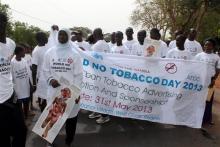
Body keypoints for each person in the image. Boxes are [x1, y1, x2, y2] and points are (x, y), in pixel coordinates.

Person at [43, 28, 83, 147]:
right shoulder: (50, 52)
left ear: (68, 37)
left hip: (69, 92)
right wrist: (51, 79)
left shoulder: (75, 54)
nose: (61, 37)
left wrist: (74, 92)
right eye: (60, 35)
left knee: (70, 119)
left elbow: (79, 75)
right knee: (53, 116)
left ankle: (68, 141)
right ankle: (49, 140)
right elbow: (45, 70)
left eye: (64, 35)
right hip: (54, 91)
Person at [0, 12, 27, 147]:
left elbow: (7, 67)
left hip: (11, 96)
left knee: (21, 131)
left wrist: (12, 87)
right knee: (4, 137)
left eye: (2, 21)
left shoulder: (11, 44)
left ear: (5, 23)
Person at [194, 38, 220, 125]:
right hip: (199, 81)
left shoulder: (216, 57)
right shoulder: (199, 55)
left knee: (208, 100)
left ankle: (206, 119)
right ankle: (195, 116)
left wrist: (214, 79)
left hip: (210, 82)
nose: (207, 46)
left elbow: (217, 69)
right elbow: (194, 67)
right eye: (205, 44)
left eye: (209, 45)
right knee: (197, 99)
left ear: (213, 46)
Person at [89, 28, 110, 124]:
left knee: (99, 95)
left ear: (94, 35)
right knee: (102, 95)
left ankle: (104, 116)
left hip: (98, 74)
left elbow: (91, 61)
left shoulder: (95, 46)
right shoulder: (107, 45)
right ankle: (98, 112)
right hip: (106, 73)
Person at [11, 46, 32, 119]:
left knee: (26, 103)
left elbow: (28, 74)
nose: (24, 53)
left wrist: (31, 84)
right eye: (23, 51)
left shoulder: (24, 61)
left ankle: (26, 116)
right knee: (18, 105)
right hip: (17, 89)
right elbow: (11, 77)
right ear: (19, 52)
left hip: (25, 88)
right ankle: (20, 119)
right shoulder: (12, 63)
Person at [32, 32, 49, 112]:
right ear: (40, 39)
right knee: (42, 96)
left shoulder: (46, 47)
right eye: (45, 37)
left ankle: (43, 106)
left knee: (47, 96)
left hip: (48, 76)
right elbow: (34, 68)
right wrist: (34, 83)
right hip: (41, 78)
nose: (47, 38)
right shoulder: (36, 51)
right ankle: (42, 111)